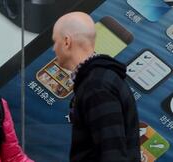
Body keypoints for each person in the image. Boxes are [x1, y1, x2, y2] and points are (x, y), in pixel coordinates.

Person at [52, 12, 140, 162]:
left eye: (55, 41)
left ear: (67, 42)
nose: (54, 48)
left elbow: (112, 155)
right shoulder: (100, 79)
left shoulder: (96, 86)